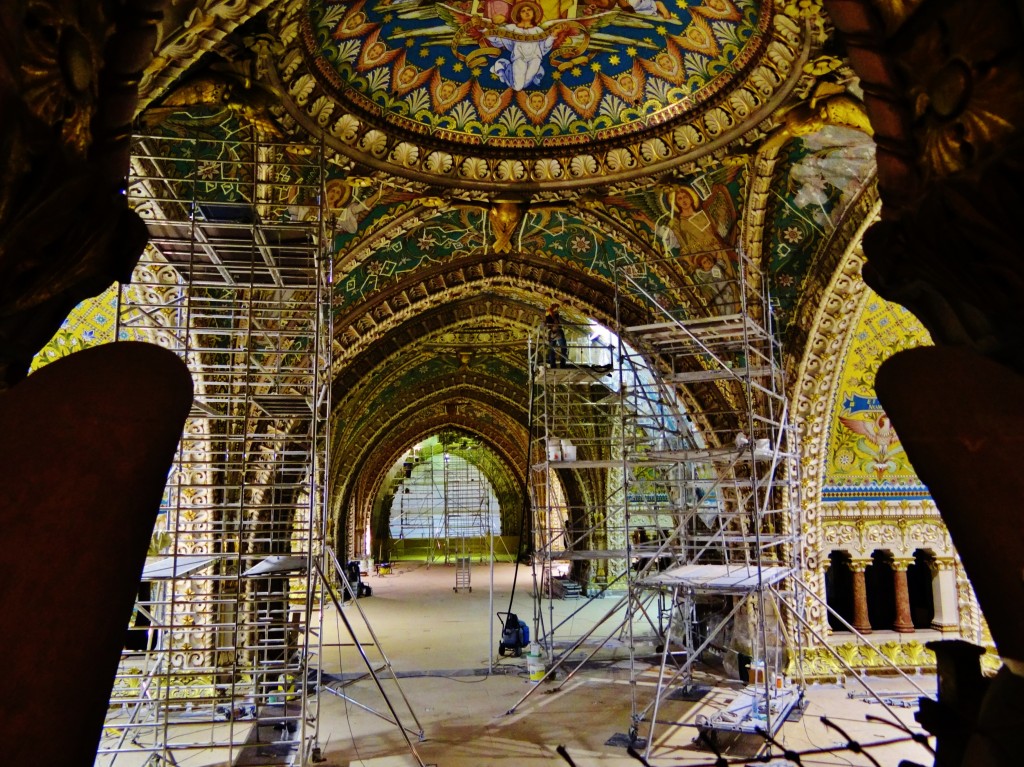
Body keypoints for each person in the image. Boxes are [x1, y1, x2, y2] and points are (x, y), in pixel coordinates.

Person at [544, 303, 568, 367]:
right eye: (556, 306)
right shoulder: (549, 311)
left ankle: (562, 364)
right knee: (554, 349)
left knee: (563, 348)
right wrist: (554, 318)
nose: (557, 308)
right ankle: (554, 364)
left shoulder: (554, 312)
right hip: (553, 332)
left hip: (557, 331)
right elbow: (549, 310)